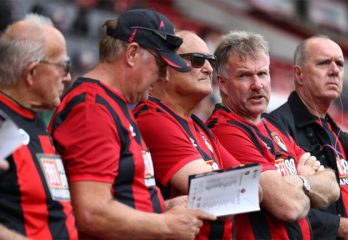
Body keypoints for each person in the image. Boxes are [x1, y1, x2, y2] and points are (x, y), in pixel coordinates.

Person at [49, 9, 215, 240]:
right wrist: (165, 225)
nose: (162, 77)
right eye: (161, 65)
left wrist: (162, 207)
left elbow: (121, 196)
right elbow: (91, 211)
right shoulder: (93, 108)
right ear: (132, 54)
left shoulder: (114, 103)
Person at [207, 31, 340, 239]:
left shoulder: (271, 125)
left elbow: (332, 187)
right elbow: (289, 206)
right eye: (244, 75)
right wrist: (307, 180)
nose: (257, 85)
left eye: (262, 74)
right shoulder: (224, 130)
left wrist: (298, 183)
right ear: (222, 84)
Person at [271, 35, 348, 240]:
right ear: (299, 75)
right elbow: (279, 207)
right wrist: (338, 227)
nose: (334, 70)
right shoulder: (276, 128)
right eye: (323, 63)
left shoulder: (341, 139)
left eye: (340, 64)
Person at [133, 30, 241, 239]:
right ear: (164, 70)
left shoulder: (199, 126)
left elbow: (255, 189)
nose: (209, 69)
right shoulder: (153, 120)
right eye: (198, 60)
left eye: (210, 60)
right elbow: (223, 197)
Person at [0, 14, 77, 239]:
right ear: (32, 73)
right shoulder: (2, 125)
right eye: (63, 66)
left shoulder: (32, 116)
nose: (68, 77)